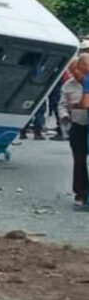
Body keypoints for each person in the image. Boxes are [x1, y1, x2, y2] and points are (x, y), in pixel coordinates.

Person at [59, 58, 88, 206]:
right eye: (73, 70)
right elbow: (62, 105)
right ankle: (81, 193)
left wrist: (78, 105)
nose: (76, 73)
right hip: (77, 125)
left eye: (79, 69)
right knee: (79, 160)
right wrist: (65, 117)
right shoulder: (68, 86)